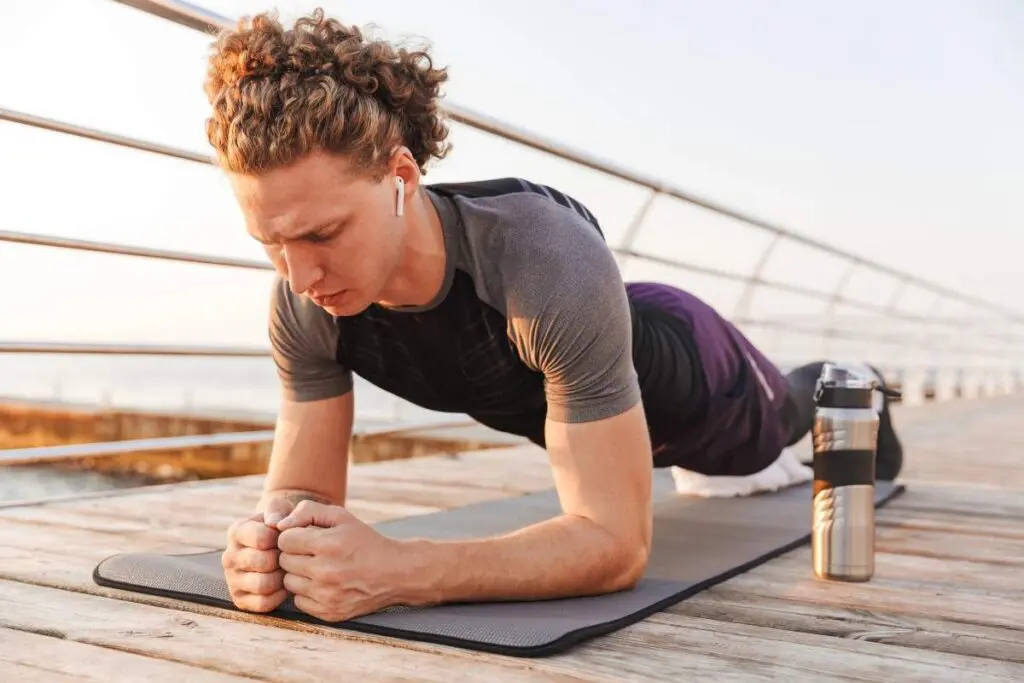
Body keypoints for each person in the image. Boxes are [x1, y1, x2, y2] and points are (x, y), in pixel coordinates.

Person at [208, 9, 903, 623]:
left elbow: (614, 543)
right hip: (601, 381)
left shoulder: (543, 259)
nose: (299, 274)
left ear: (402, 178)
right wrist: (268, 543)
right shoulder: (303, 303)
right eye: (270, 241)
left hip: (695, 374)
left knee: (780, 419)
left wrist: (400, 570)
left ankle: (854, 384)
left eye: (323, 234)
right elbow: (298, 491)